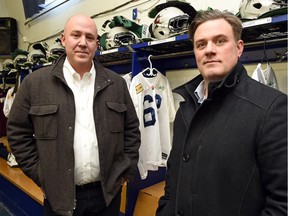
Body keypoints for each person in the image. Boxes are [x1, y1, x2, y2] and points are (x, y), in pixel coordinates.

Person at [7, 14, 141, 216]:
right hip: (59, 195)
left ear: (97, 43)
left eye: (89, 37)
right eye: (76, 35)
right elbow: (18, 133)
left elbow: (131, 130)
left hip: (107, 195)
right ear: (63, 39)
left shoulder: (116, 84)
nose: (82, 43)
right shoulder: (35, 84)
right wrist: (41, 175)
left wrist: (125, 169)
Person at [156, 9, 287, 216]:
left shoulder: (271, 108)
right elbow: (174, 179)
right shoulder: (186, 108)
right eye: (201, 44)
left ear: (238, 48)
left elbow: (283, 203)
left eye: (219, 41)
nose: (209, 50)